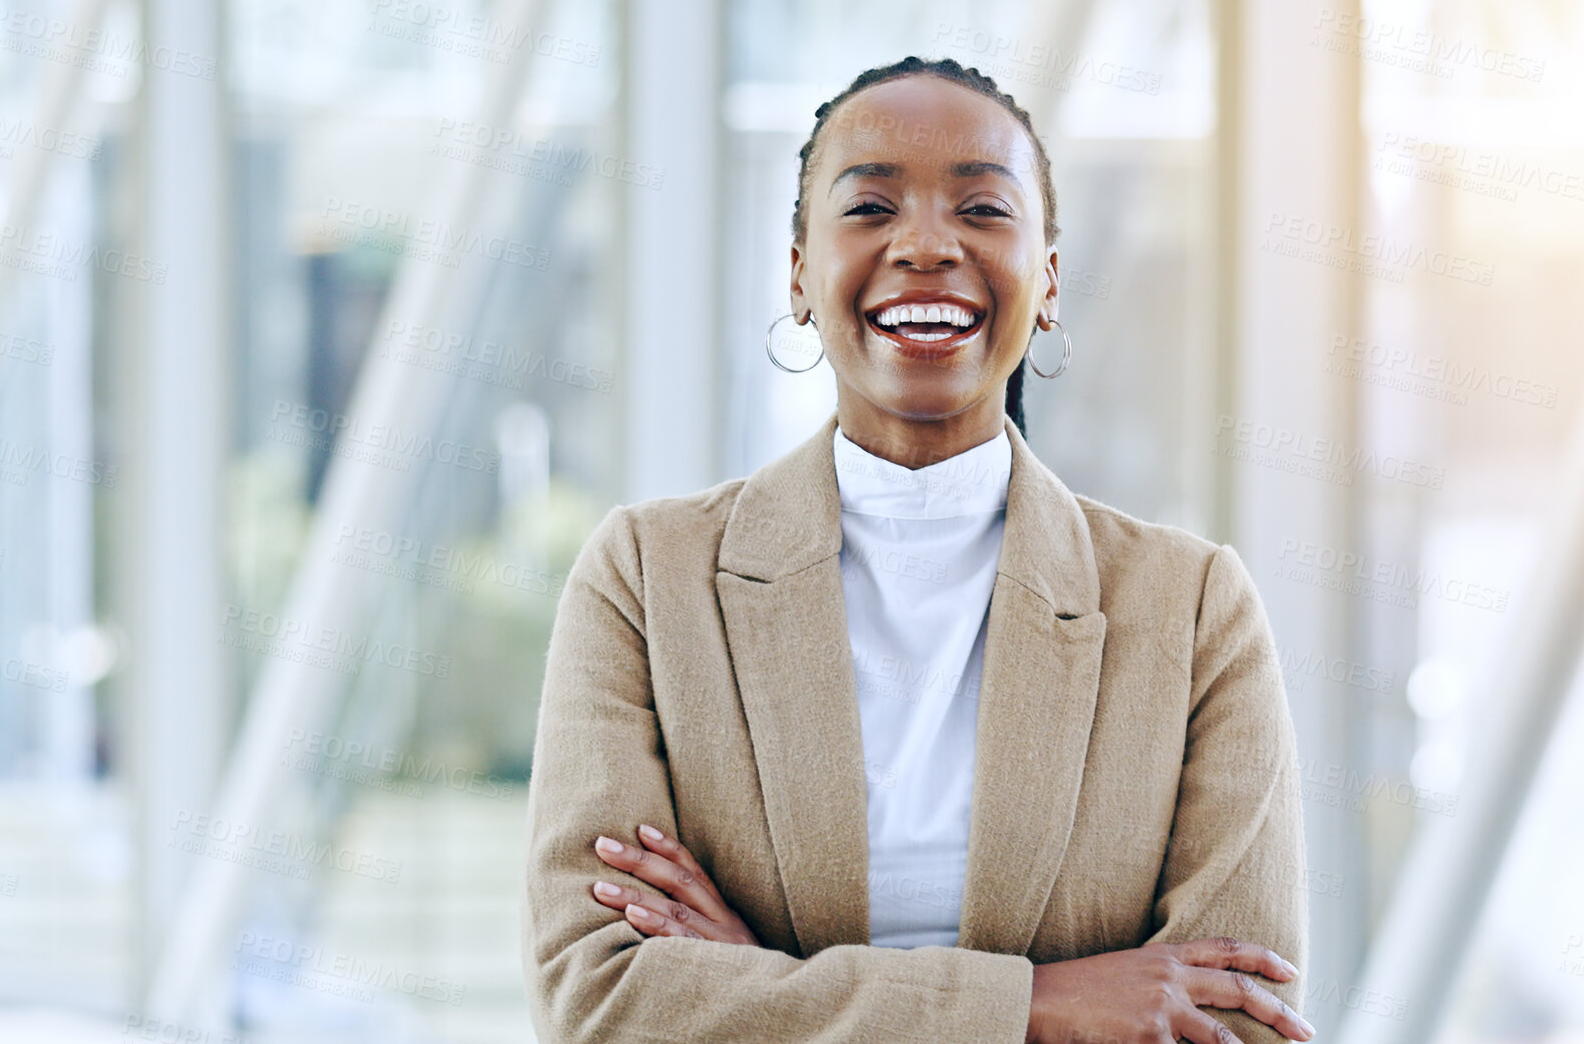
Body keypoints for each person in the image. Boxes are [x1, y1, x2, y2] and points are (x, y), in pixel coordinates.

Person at [521, 55, 1313, 1044]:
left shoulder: (1193, 608)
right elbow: (600, 998)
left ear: (1048, 278)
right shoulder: (646, 578)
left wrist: (754, 984)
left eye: (981, 209)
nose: (926, 245)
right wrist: (1040, 1006)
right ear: (800, 273)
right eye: (868, 208)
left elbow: (1233, 1021)